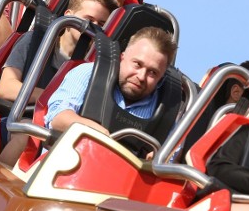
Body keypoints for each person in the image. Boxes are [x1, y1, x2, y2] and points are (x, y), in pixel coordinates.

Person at [0, 0, 118, 104]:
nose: (93, 28)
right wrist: (54, 98)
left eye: (100, 24)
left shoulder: (94, 65)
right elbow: (6, 89)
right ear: (68, 15)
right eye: (89, 20)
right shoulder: (33, 42)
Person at [45, 26, 176, 135]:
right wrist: (101, 135)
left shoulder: (166, 109)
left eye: (152, 72)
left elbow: (170, 155)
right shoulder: (89, 73)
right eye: (137, 64)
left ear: (161, 78)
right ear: (122, 57)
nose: (141, 76)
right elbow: (57, 118)